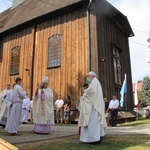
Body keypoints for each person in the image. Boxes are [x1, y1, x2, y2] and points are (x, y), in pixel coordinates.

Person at [78, 71, 107, 143]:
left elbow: (91, 92)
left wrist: (84, 92)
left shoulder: (95, 82)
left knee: (93, 123)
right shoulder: (94, 82)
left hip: (94, 107)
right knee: (93, 123)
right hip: (93, 105)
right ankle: (91, 138)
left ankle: (93, 138)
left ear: (92, 76)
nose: (87, 78)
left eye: (88, 76)